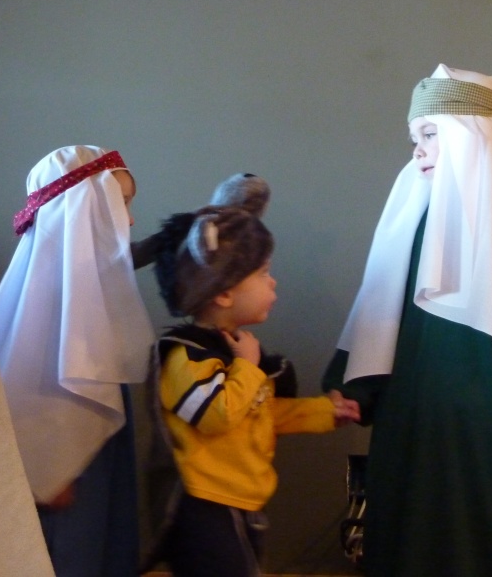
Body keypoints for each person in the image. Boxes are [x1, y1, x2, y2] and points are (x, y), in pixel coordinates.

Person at [322, 64, 492, 576]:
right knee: (405, 522)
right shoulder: (410, 222)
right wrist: (354, 388)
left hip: (490, 413)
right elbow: (379, 311)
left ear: (472, 135)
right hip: (410, 406)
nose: (418, 150)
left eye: (430, 134)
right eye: (414, 138)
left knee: (482, 526)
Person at [150, 205, 360, 576]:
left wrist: (324, 412)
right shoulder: (188, 356)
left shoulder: (236, 350)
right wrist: (247, 366)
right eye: (263, 273)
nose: (273, 282)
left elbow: (259, 411)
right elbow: (215, 415)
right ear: (224, 293)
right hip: (204, 505)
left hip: (239, 499)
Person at [0, 145, 155, 576]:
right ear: (83, 211)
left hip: (95, 450)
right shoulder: (49, 291)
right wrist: (47, 466)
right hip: (65, 465)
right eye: (121, 204)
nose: (130, 220)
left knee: (102, 539)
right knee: (73, 549)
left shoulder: (89, 285)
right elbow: (26, 387)